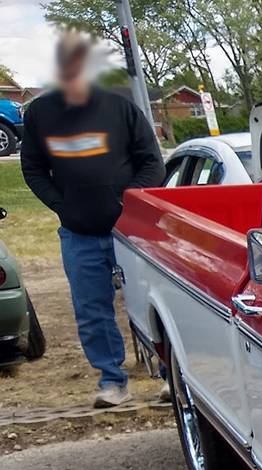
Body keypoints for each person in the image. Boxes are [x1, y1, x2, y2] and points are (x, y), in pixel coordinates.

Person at [20, 32, 163, 407]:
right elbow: (33, 169)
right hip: (78, 234)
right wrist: (61, 206)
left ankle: (166, 373)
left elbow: (152, 162)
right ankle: (112, 381)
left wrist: (129, 203)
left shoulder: (121, 107)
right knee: (91, 310)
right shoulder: (41, 113)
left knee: (150, 302)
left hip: (130, 233)